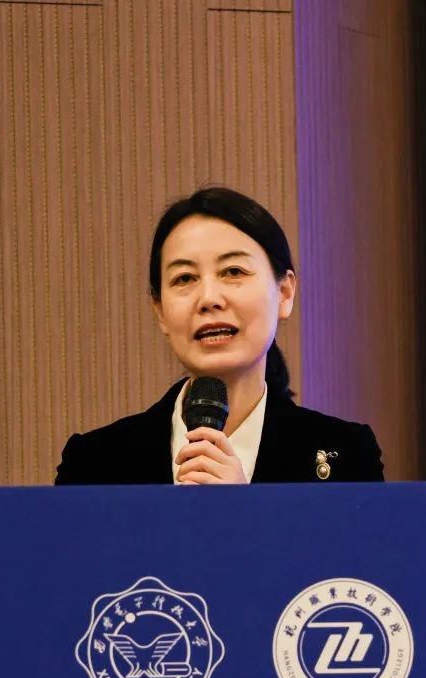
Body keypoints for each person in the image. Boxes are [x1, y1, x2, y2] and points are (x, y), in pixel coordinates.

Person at [54, 187, 385, 485]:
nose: (209, 298)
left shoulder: (347, 457)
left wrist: (242, 513)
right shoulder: (94, 464)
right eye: (185, 278)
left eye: (233, 271)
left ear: (284, 293)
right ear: (160, 311)